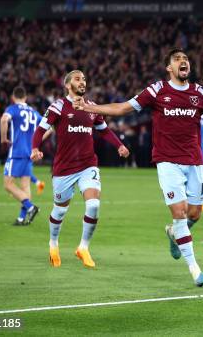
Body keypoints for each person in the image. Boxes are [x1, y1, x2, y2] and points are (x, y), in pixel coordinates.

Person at [73, 49, 203, 287]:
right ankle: (195, 270)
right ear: (169, 68)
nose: (184, 61)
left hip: (194, 162)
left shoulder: (201, 93)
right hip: (167, 161)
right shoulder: (157, 90)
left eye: (186, 59)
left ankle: (173, 234)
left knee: (195, 214)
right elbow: (123, 108)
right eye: (177, 59)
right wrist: (90, 108)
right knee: (180, 213)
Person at [31, 70, 129, 269]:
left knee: (93, 205)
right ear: (68, 85)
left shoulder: (92, 107)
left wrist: (119, 145)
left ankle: (83, 247)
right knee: (60, 211)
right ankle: (53, 244)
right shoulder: (58, 106)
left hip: (87, 165)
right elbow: (41, 129)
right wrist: (35, 148)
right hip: (64, 167)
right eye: (77, 79)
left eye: (84, 78)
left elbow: (104, 130)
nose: (82, 81)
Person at [0, 86, 41, 225]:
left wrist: (3, 138)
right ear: (26, 98)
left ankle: (31, 207)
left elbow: (4, 120)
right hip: (29, 153)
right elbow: (48, 129)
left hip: (16, 152)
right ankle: (22, 218)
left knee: (8, 184)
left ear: (13, 97)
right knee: (25, 186)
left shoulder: (13, 109)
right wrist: (37, 143)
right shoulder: (34, 112)